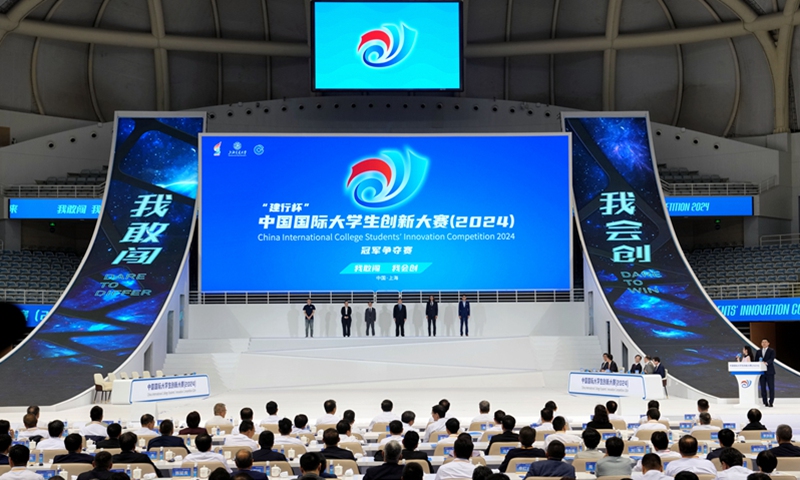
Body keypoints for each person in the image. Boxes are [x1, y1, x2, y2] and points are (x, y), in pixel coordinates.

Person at [755, 338, 776, 407]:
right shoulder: (758, 351)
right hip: (761, 372)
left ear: (768, 343)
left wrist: (766, 363)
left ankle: (771, 402)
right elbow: (756, 360)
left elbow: (772, 359)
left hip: (770, 371)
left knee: (771, 387)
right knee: (762, 387)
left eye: (765, 342)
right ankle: (765, 401)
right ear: (761, 344)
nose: (764, 343)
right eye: (762, 342)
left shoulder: (771, 351)